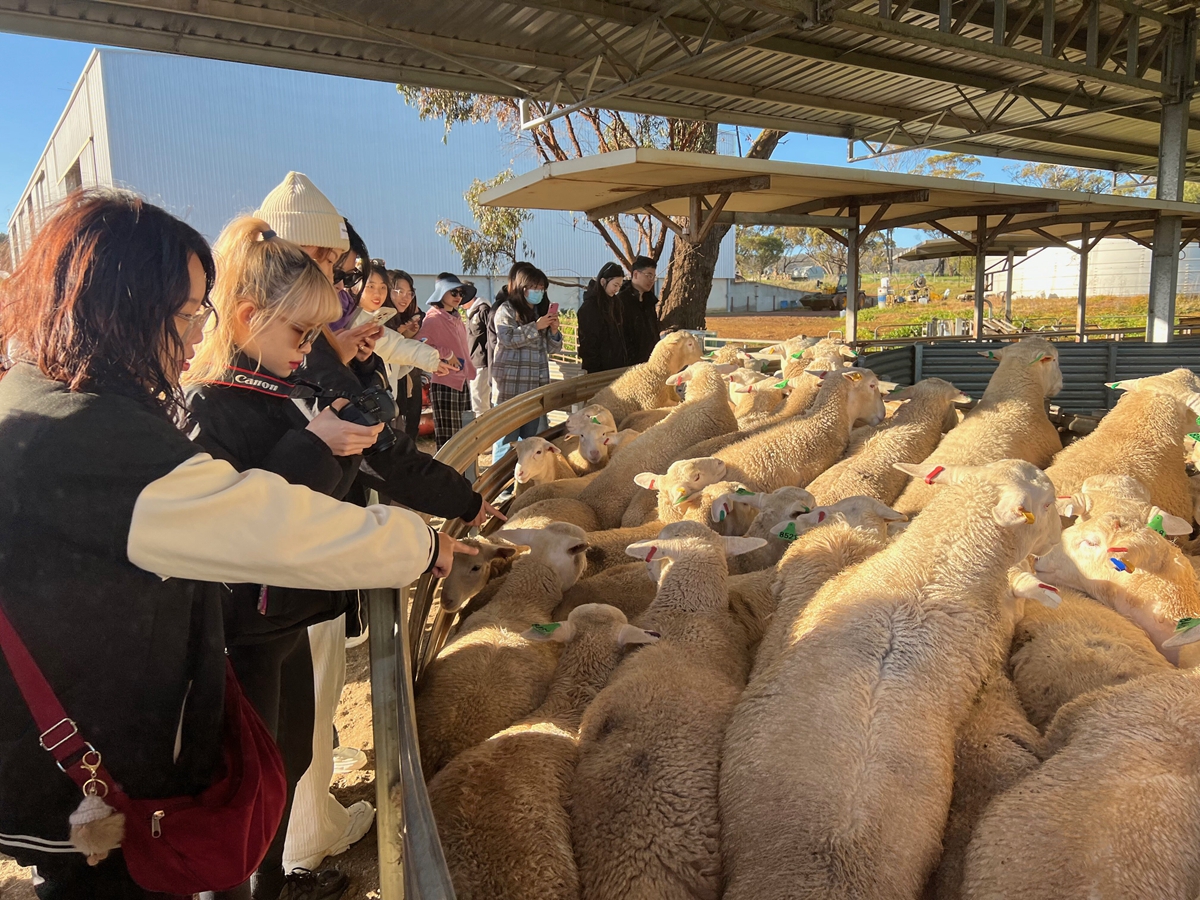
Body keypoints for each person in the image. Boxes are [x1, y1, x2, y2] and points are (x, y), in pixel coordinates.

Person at [0, 191, 474, 900]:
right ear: (124, 307)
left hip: (72, 738)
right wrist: (418, 541)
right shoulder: (101, 441)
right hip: (95, 761)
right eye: (189, 311)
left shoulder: (43, 396)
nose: (198, 332)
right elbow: (267, 527)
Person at [253, 176, 501, 879]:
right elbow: (381, 458)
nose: (346, 289)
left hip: (295, 575)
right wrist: (440, 533)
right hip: (286, 582)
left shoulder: (306, 354)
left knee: (305, 708)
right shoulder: (291, 370)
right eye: (337, 270)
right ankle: (302, 839)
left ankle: (310, 819)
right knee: (288, 714)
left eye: (347, 274)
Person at [185, 217, 374, 900]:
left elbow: (305, 504)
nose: (309, 349)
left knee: (286, 765)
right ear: (245, 317)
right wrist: (316, 445)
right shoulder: (210, 404)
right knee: (241, 789)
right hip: (239, 636)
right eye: (301, 333)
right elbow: (240, 527)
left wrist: (338, 449)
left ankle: (269, 884)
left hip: (284, 620)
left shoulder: (282, 389)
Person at [489, 265, 562, 462]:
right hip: (510, 390)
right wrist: (535, 326)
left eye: (541, 288)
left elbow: (553, 349)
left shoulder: (540, 311)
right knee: (506, 441)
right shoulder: (506, 310)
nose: (538, 292)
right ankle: (502, 489)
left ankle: (530, 482)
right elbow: (507, 339)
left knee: (534, 440)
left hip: (535, 389)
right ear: (522, 288)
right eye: (534, 287)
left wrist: (553, 331)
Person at [417, 275, 476, 448]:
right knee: (449, 441)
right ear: (441, 293)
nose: (458, 296)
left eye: (461, 292)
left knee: (464, 436)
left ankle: (463, 475)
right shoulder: (432, 319)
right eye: (453, 292)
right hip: (444, 383)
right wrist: (446, 354)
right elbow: (419, 345)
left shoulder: (457, 319)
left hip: (462, 382)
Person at [386, 269, 426, 439]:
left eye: (409, 293)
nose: (406, 297)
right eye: (399, 291)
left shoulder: (398, 318)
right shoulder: (378, 320)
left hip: (397, 389)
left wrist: (405, 334)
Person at [576, 261, 629, 374]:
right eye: (615, 285)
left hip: (617, 366)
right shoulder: (589, 307)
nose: (617, 290)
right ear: (603, 281)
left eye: (620, 286)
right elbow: (588, 343)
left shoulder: (616, 303)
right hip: (599, 369)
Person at [618, 255, 661, 365]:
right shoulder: (621, 301)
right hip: (630, 364)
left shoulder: (649, 301)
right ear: (636, 274)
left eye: (654, 277)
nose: (651, 281)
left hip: (651, 361)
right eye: (649, 276)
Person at [463, 283, 492, 419]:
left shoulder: (483, 310)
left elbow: (492, 337)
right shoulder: (470, 313)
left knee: (480, 404)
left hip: (482, 363)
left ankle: (486, 436)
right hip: (473, 363)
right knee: (477, 402)